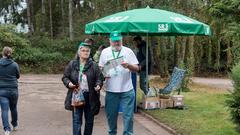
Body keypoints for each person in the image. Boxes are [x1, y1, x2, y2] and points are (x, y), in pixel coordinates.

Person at [99, 31, 139, 135]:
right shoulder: (105, 52)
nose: (116, 43)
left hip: (127, 90)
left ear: (122, 40)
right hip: (111, 90)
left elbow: (137, 68)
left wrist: (128, 65)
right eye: (114, 41)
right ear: (110, 41)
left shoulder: (128, 51)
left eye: (118, 41)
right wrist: (104, 73)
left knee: (128, 117)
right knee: (111, 116)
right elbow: (101, 68)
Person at [62, 42, 103, 135]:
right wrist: (69, 84)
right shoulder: (72, 64)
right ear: (79, 52)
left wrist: (98, 85)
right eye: (83, 50)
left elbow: (99, 78)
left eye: (87, 51)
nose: (85, 52)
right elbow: (65, 77)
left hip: (90, 96)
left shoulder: (94, 65)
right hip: (76, 95)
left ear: (89, 53)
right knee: (77, 121)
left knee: (89, 121)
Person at [0, 46, 20, 135]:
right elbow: (18, 76)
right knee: (13, 108)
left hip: (2, 91)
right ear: (10, 54)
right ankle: (15, 125)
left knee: (4, 110)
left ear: (2, 53)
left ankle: (7, 130)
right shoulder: (15, 64)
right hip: (13, 90)